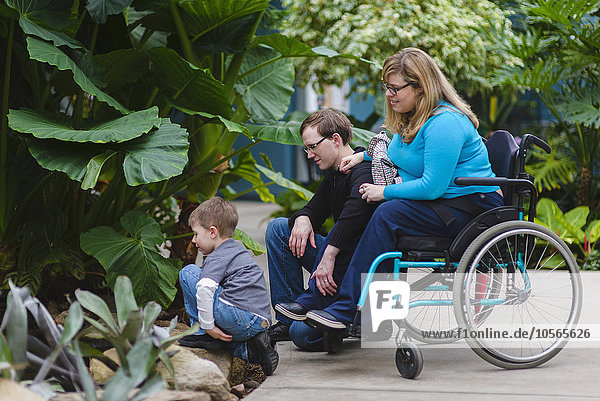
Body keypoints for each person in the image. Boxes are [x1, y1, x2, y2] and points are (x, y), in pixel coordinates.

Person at [300, 47, 504, 331]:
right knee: (383, 213)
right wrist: (363, 156)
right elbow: (397, 153)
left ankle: (349, 309)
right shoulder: (412, 118)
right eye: (387, 87)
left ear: (420, 87)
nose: (389, 94)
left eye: (396, 88)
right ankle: (375, 318)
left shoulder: (445, 123)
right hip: (446, 204)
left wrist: (384, 192)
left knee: (387, 212)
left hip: (471, 209)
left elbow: (432, 187)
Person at [266, 108, 378, 351]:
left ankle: (347, 321)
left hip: (359, 274)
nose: (309, 154)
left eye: (312, 146)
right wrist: (304, 218)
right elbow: (316, 208)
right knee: (278, 229)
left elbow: (354, 215)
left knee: (302, 334)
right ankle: (289, 318)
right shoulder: (335, 173)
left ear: (335, 140)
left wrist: (328, 254)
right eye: (306, 148)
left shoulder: (364, 170)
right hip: (336, 266)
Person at [178, 197, 278, 375]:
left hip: (239, 317)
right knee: (220, 341)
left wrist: (208, 326)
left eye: (195, 234)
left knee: (189, 273)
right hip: (258, 321)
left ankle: (202, 333)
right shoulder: (237, 251)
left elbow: (204, 288)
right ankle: (251, 350)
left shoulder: (218, 256)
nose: (193, 240)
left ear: (212, 232)